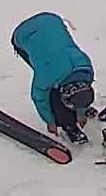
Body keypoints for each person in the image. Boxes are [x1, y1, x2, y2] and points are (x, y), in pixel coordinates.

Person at [11, 11, 97, 144]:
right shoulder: (46, 76)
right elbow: (39, 98)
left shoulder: (86, 71)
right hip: (23, 34)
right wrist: (50, 121)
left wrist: (81, 111)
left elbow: (79, 88)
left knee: (48, 65)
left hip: (51, 21)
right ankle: (67, 124)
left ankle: (74, 107)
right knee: (51, 93)